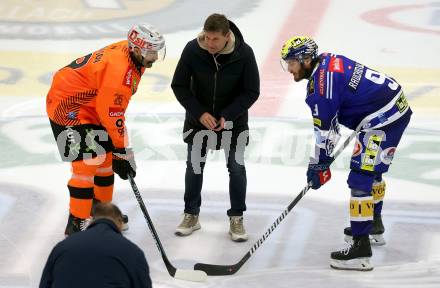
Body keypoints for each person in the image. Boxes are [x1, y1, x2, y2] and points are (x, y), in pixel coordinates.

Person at [280, 36, 411, 270]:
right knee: (372, 172)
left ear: (306, 60)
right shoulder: (328, 61)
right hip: (393, 108)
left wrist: (318, 165)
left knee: (361, 177)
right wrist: (320, 163)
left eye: (291, 62)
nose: (289, 68)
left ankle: (360, 250)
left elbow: (327, 133)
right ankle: (372, 225)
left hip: (382, 121)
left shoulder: (322, 89)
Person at [46, 23, 166, 236]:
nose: (155, 57)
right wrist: (122, 151)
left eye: (157, 51)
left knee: (106, 161)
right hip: (68, 107)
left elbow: (109, 109)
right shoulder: (119, 73)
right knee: (86, 164)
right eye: (151, 51)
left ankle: (102, 215)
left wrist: (119, 153)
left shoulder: (131, 54)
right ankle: (78, 222)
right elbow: (112, 114)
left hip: (92, 105)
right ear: (137, 49)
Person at [171, 13, 260, 242]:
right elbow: (179, 85)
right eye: (207, 38)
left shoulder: (244, 53)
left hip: (234, 123)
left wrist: (228, 115)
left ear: (227, 36)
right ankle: (191, 214)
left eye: (215, 40)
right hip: (198, 121)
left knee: (237, 168)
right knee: (194, 168)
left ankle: (237, 218)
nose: (209, 44)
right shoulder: (193, 50)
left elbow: (252, 91)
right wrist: (200, 113)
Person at [39, 202, 152, 288]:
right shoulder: (132, 252)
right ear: (120, 222)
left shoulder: (62, 247)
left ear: (92, 220)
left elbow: (45, 284)